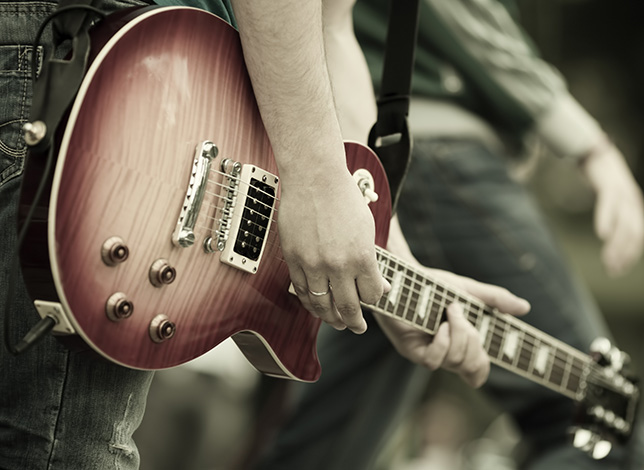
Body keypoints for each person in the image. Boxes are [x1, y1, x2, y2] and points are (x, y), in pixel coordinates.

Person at [0, 0, 532, 468]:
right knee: (57, 447)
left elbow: (329, 28)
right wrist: (314, 176)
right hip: (100, 59)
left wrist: (391, 263)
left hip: (66, 51)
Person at [253, 0, 644, 469]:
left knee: (328, 449)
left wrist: (390, 249)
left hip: (361, 153)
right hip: (435, 158)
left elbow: (334, 23)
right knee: (598, 422)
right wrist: (588, 143)